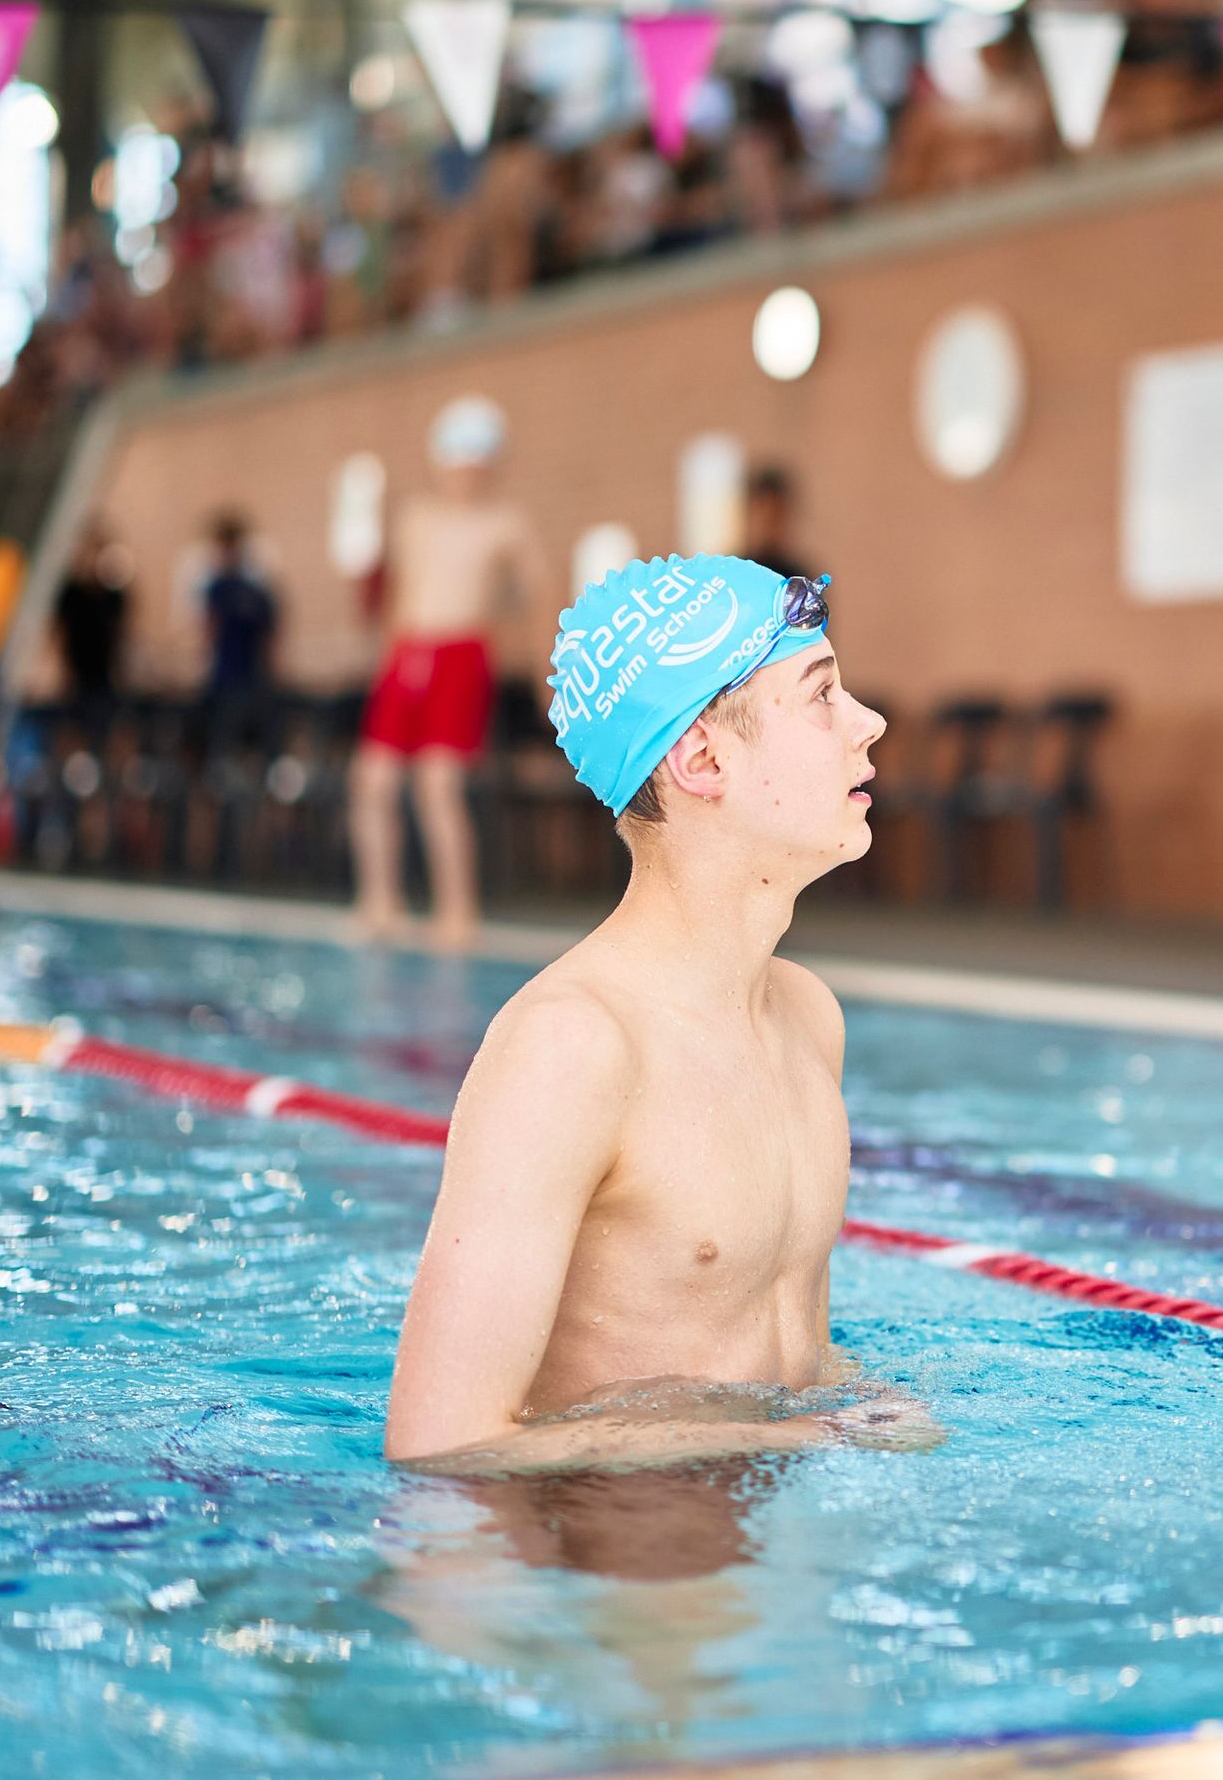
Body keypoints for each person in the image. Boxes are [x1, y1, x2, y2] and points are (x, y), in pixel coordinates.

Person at [385, 552, 931, 1474]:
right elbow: (444, 1443)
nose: (869, 723)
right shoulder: (572, 1050)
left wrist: (851, 1393)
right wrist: (800, 1437)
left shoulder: (805, 1017)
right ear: (705, 759)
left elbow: (772, 1342)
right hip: (616, 1594)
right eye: (822, 694)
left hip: (768, 1548)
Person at [349, 394, 545, 948]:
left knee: (438, 786)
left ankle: (458, 911)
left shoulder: (505, 523)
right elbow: (400, 596)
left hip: (462, 654)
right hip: (409, 654)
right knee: (374, 780)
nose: (466, 469)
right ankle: (379, 900)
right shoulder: (415, 516)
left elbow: (540, 596)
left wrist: (545, 673)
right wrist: (393, 659)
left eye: (476, 458)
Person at [198, 511, 279, 756]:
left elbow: (209, 634)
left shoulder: (226, 590)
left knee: (227, 749)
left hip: (236, 681)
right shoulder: (251, 591)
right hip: (238, 679)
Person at [52, 518, 131, 731]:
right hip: (78, 675)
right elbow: (60, 633)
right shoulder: (72, 593)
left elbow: (120, 634)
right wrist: (63, 672)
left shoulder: (114, 596)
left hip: (104, 677)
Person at [743, 464, 813, 584]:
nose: (767, 524)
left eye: (775, 515)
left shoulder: (799, 580)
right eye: (763, 515)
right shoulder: (735, 571)